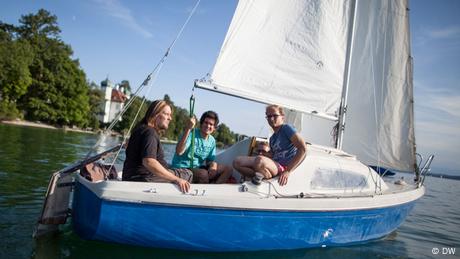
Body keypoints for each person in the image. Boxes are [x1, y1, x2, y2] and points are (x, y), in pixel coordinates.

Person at [122, 100, 192, 193]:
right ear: (155, 114)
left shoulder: (140, 129)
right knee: (189, 174)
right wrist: (176, 179)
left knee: (176, 170)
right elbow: (149, 161)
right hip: (145, 178)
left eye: (170, 115)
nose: (170, 118)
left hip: (131, 176)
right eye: (167, 114)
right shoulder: (150, 132)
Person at [233, 105, 307, 186]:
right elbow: (274, 155)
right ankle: (259, 177)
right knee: (237, 162)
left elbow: (303, 149)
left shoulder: (287, 128)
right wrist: (264, 153)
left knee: (260, 161)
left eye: (275, 115)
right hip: (275, 165)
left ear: (282, 117)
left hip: (284, 168)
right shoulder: (272, 138)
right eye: (269, 116)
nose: (271, 118)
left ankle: (262, 179)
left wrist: (288, 171)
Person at [172, 111, 232, 184]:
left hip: (197, 168)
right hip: (182, 168)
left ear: (214, 128)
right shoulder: (191, 133)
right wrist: (188, 128)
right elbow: (179, 151)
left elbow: (209, 161)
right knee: (203, 174)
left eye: (211, 124)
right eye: (206, 123)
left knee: (228, 169)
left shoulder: (212, 141)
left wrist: (213, 165)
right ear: (201, 124)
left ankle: (214, 188)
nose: (208, 126)